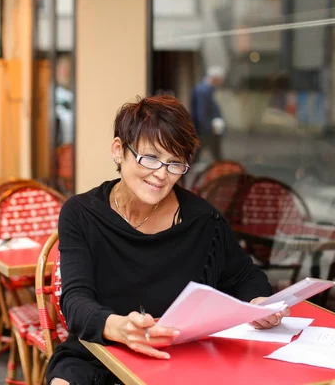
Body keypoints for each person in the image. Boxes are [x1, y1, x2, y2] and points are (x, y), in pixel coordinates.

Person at [47, 95, 290, 385]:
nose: (161, 174)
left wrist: (258, 302)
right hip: (97, 352)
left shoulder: (203, 221)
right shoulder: (81, 213)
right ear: (118, 150)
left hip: (179, 357)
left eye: (175, 163)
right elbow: (75, 301)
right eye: (150, 158)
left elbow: (244, 276)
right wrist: (119, 327)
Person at [191, 66, 226, 161]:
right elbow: (200, 113)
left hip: (207, 130)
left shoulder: (208, 89)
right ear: (215, 79)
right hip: (206, 131)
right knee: (197, 156)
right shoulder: (203, 90)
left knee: (214, 155)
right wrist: (208, 129)